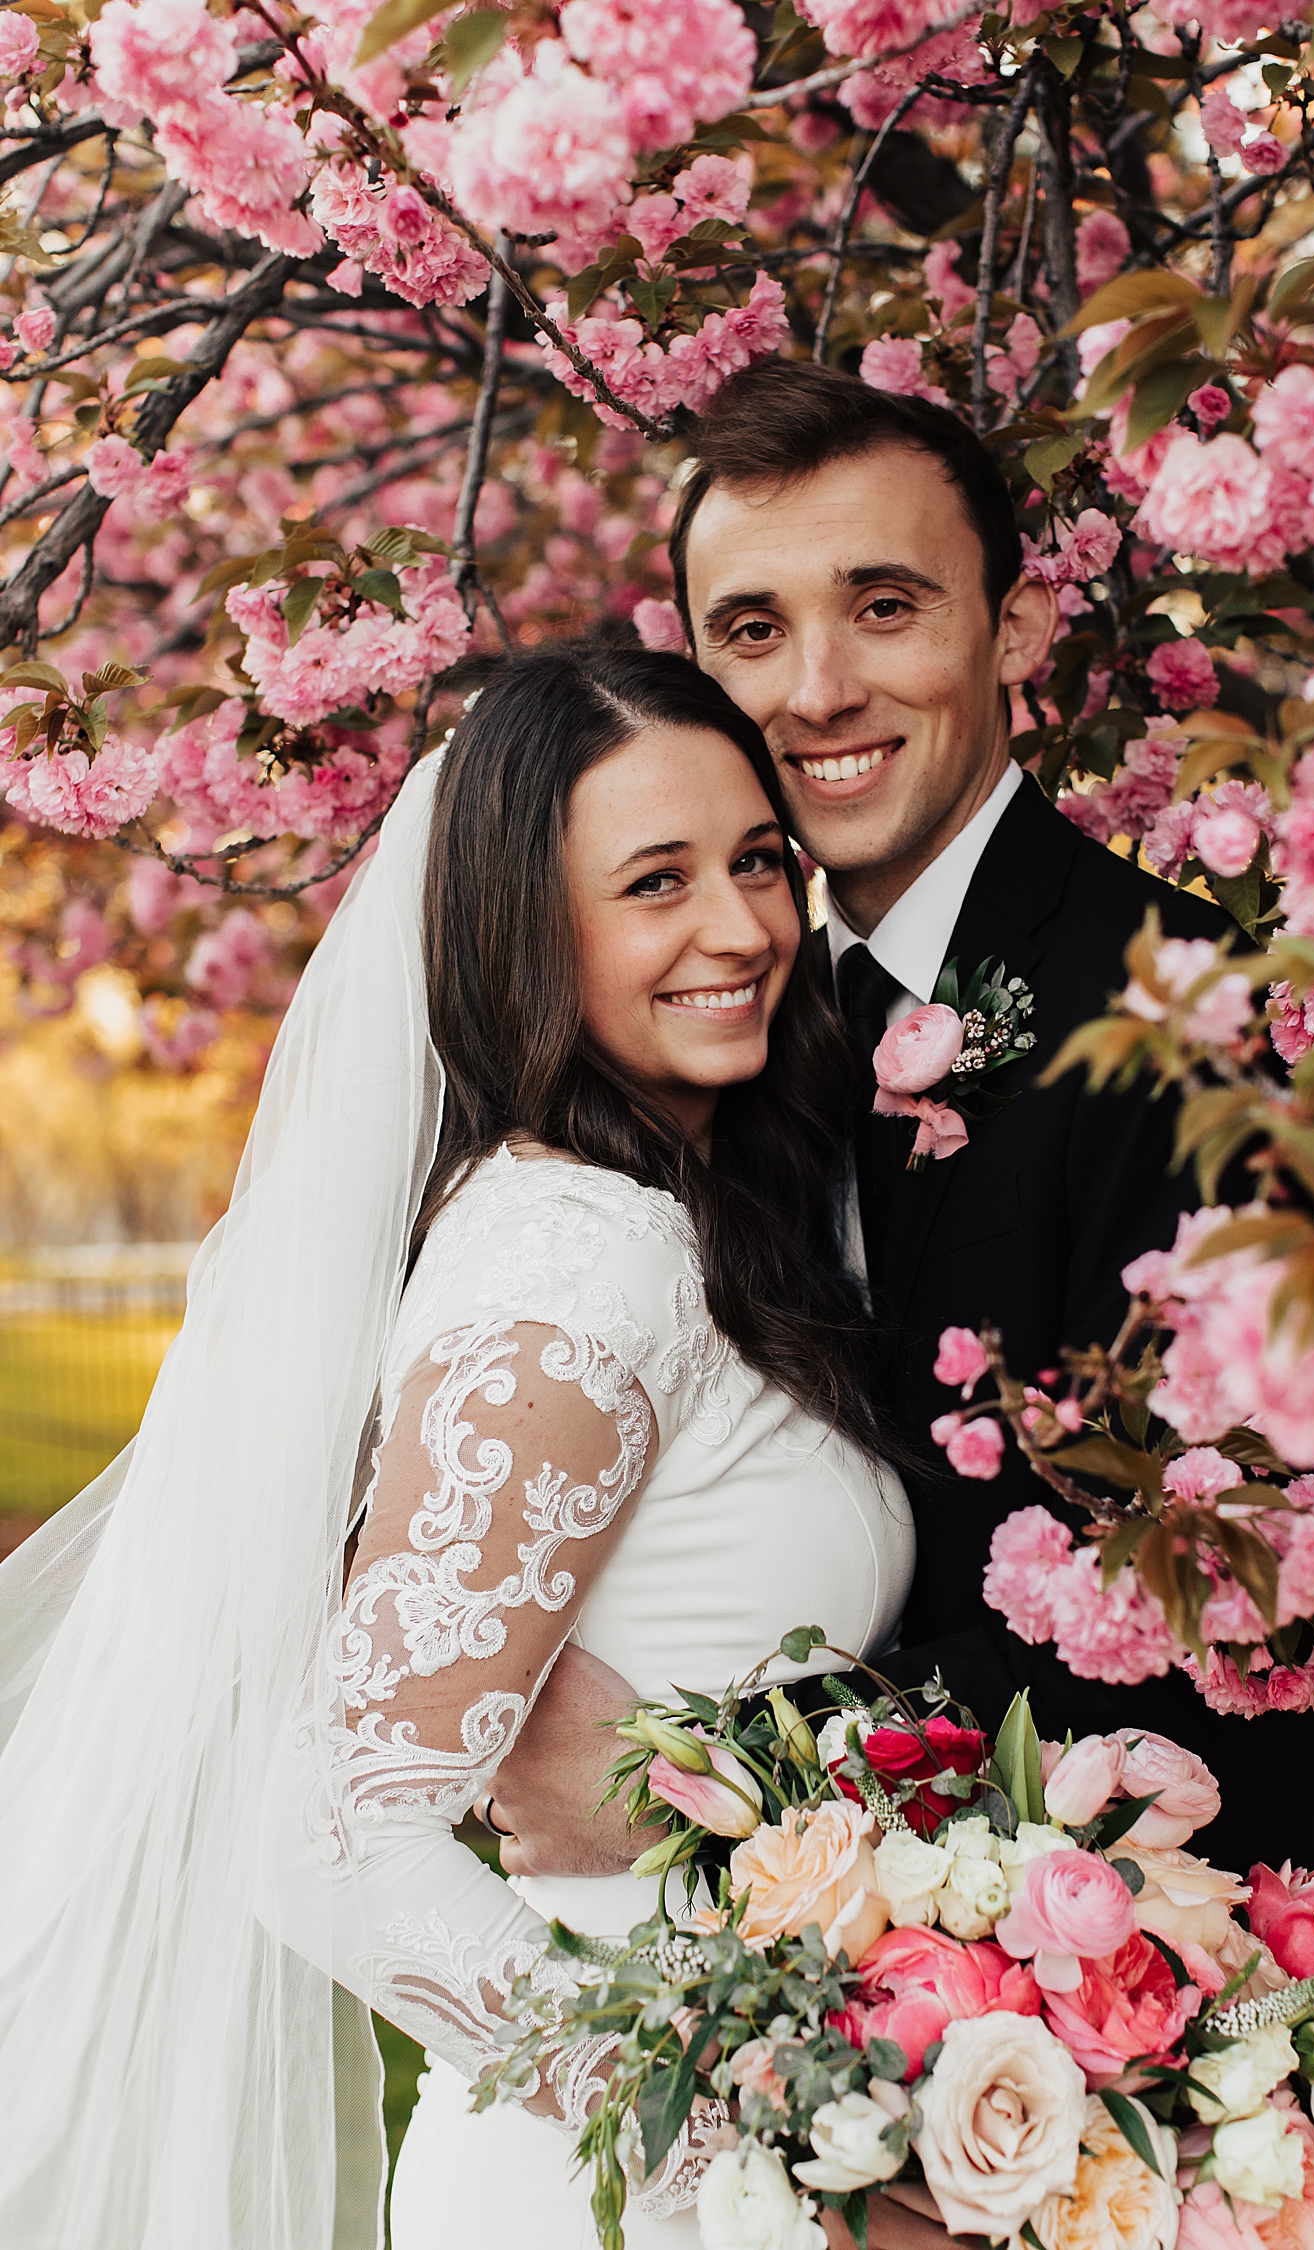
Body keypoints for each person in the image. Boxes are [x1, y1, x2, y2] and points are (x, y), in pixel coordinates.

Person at [0, 643, 914, 2249]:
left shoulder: (693, 1222)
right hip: (634, 2174)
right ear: (529, 932)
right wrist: (728, 2138)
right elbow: (332, 1833)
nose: (743, 927)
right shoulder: (579, 1264)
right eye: (656, 883)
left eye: (758, 861)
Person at [492, 365, 1314, 1918]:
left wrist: (707, 1760)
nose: (816, 690)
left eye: (885, 606)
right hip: (843, 1983)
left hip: (1167, 1963)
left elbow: (1193, 1592)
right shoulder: (733, 1020)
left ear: (1017, 630)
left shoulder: (1185, 1016)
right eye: (753, 631)